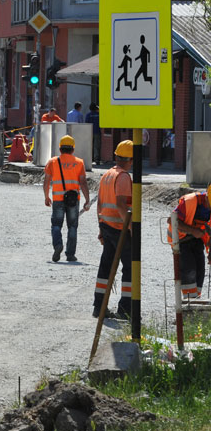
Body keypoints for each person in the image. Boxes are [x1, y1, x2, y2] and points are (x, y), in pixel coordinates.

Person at [94, 140, 134, 319]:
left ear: (117, 156)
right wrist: (132, 227)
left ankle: (99, 306)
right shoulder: (123, 176)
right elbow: (120, 204)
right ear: (131, 159)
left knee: (106, 267)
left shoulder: (107, 175)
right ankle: (125, 310)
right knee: (130, 268)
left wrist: (101, 227)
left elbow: (100, 204)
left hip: (107, 226)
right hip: (119, 228)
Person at [43, 135, 91, 263]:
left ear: (60, 149)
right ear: (73, 149)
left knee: (56, 224)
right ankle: (70, 254)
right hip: (73, 200)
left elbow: (46, 181)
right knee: (72, 226)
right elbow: (83, 183)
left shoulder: (52, 162)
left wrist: (46, 197)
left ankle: (58, 244)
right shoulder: (79, 162)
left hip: (58, 199)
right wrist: (87, 199)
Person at [168, 185, 211, 299]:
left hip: (197, 240)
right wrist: (193, 230)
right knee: (188, 271)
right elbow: (171, 219)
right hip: (181, 240)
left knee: (200, 271)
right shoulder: (190, 201)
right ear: (206, 197)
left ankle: (195, 301)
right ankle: (189, 302)